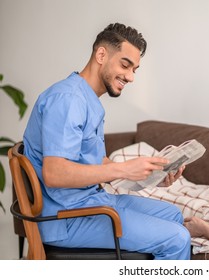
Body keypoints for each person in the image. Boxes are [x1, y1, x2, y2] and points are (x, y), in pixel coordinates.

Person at [23, 23, 191, 260]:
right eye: (125, 65)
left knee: (173, 215)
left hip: (90, 202)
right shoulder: (68, 99)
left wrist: (151, 176)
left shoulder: (87, 99)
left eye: (135, 69)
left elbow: (94, 163)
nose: (131, 77)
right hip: (67, 218)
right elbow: (54, 173)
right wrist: (123, 168)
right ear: (101, 55)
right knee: (177, 239)